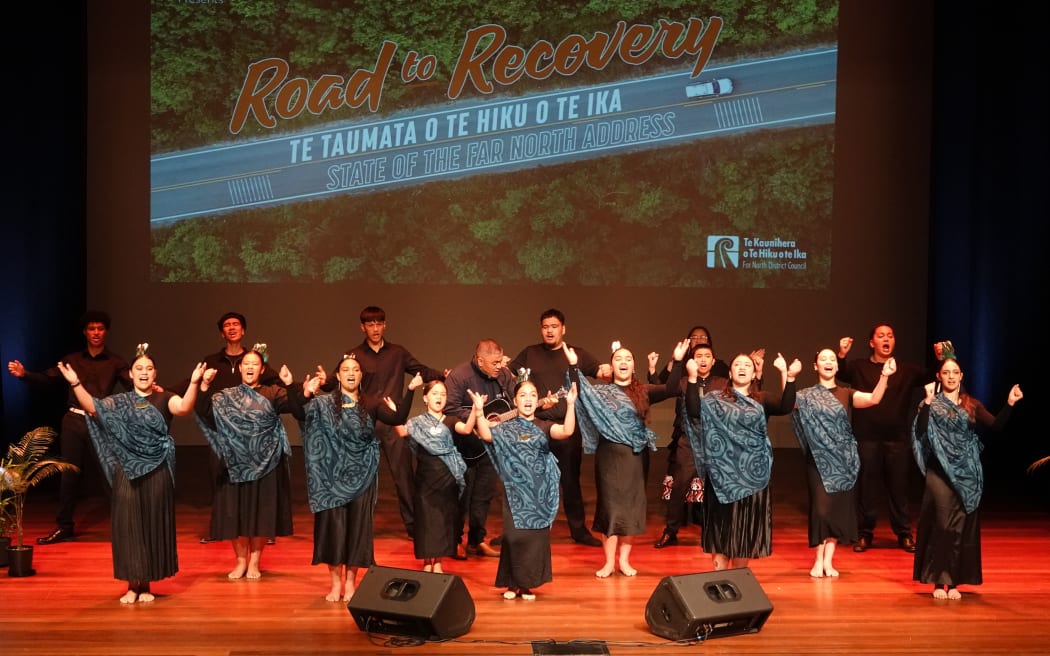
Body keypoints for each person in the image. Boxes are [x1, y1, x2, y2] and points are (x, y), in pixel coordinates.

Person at [58, 345, 205, 603]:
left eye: (149, 368)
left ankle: (146, 583)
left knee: (151, 523)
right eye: (139, 368)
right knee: (127, 525)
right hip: (127, 470)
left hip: (157, 469)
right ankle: (131, 584)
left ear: (155, 373)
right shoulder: (119, 401)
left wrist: (193, 383)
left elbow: (183, 408)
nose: (144, 372)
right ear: (131, 373)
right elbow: (93, 406)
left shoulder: (164, 398)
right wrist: (76, 383)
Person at [299, 356, 418, 601]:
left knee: (356, 529)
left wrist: (410, 390)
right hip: (330, 477)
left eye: (356, 370)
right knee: (333, 530)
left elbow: (397, 419)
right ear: (338, 376)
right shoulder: (324, 403)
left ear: (361, 376)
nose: (351, 373)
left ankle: (351, 584)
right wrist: (305, 394)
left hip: (361, 474)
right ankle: (334, 584)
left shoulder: (372, 403)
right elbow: (298, 411)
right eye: (346, 370)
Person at [6, 310, 131, 545]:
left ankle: (124, 526)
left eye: (100, 328)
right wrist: (25, 375)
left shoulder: (116, 362)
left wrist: (149, 384)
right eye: (92, 329)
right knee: (69, 476)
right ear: (85, 332)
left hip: (100, 421)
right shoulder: (72, 359)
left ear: (106, 332)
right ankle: (64, 527)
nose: (96, 333)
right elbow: (50, 378)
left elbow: (131, 385)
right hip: (73, 422)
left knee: (111, 474)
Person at [573, 339, 690, 578]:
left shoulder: (643, 391)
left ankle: (624, 561)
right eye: (618, 359)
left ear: (633, 366)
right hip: (609, 458)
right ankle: (608, 562)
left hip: (635, 458)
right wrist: (573, 369)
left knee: (631, 508)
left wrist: (677, 361)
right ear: (611, 365)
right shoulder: (601, 393)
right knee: (610, 508)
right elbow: (580, 392)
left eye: (628, 359)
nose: (623, 362)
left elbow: (671, 389)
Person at [911, 348, 1022, 600]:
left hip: (967, 473)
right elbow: (920, 431)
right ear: (938, 376)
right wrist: (928, 402)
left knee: (960, 528)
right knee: (942, 525)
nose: (951, 377)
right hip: (939, 471)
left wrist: (1010, 404)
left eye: (955, 373)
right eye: (946, 372)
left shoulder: (971, 403)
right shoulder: (930, 403)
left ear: (961, 376)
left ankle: (955, 581)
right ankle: (939, 581)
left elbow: (996, 425)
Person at [685, 352, 801, 571]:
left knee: (744, 527)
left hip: (752, 475)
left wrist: (789, 375)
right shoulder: (715, 398)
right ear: (730, 372)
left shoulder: (762, 398)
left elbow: (786, 407)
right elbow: (693, 410)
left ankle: (737, 578)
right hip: (722, 475)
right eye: (737, 364)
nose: (742, 367)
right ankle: (719, 577)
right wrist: (692, 377)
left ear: (753, 372)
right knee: (722, 526)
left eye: (747, 364)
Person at [471, 367, 579, 601]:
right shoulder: (506, 427)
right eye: (523, 395)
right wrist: (479, 412)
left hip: (540, 490)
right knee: (513, 537)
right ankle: (512, 583)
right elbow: (487, 436)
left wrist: (570, 405)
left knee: (534, 538)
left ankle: (526, 585)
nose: (528, 399)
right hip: (515, 490)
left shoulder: (544, 425)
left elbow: (567, 430)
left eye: (532, 395)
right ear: (515, 400)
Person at [195, 345, 301, 580]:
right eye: (247, 364)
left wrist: (290, 384)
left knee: (261, 513)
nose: (250, 367)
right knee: (236, 512)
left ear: (262, 369)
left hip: (266, 461)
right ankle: (240, 561)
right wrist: (203, 386)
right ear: (240, 368)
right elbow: (203, 411)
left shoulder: (273, 392)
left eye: (255, 364)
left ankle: (255, 561)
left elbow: (295, 407)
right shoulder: (225, 396)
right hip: (235, 463)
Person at [343, 306, 446, 540]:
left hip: (393, 423)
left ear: (385, 325)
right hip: (364, 423)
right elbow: (336, 379)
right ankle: (356, 526)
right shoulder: (354, 356)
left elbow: (421, 370)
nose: (375, 328)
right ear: (363, 327)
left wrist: (444, 375)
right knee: (358, 475)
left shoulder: (397, 353)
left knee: (404, 477)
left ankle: (413, 526)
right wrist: (318, 384)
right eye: (370, 324)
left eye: (379, 323)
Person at [791, 349, 896, 577]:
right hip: (818, 459)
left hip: (843, 459)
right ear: (815, 366)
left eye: (832, 359)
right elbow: (788, 403)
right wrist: (787, 375)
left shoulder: (846, 393)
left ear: (837, 367)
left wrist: (884, 376)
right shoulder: (807, 395)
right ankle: (817, 560)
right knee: (821, 510)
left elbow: (874, 399)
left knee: (837, 510)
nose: (828, 362)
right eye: (823, 359)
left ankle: (829, 560)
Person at [508, 309, 604, 547]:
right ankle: (521, 527)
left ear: (563, 328)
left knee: (570, 481)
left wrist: (617, 363)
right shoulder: (530, 353)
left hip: (566, 429)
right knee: (529, 479)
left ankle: (579, 530)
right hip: (534, 427)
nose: (549, 330)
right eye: (545, 326)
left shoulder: (576, 354)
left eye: (554, 326)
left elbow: (601, 372)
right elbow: (510, 376)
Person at [837, 324, 932, 553]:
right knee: (867, 488)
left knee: (899, 488)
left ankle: (904, 533)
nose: (886, 339)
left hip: (897, 438)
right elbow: (841, 373)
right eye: (881, 336)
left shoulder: (906, 369)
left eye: (890, 335)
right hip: (866, 436)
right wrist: (841, 354)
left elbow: (931, 375)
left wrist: (942, 357)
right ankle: (865, 533)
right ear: (872, 342)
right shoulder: (860, 367)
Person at [191, 311, 280, 545]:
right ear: (222, 333)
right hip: (224, 435)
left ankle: (261, 529)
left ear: (244, 331)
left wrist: (298, 387)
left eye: (236, 325)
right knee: (222, 481)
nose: (232, 328)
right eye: (227, 325)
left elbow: (279, 388)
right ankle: (223, 527)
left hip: (253, 436)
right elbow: (193, 387)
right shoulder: (211, 362)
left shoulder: (256, 360)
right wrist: (165, 389)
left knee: (258, 487)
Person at [395, 379, 476, 575]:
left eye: (442, 394)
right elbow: (401, 432)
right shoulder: (417, 423)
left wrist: (476, 410)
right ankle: (426, 561)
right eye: (435, 393)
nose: (439, 397)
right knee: (425, 520)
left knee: (443, 520)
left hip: (448, 476)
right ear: (425, 398)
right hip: (425, 477)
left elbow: (466, 430)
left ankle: (438, 561)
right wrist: (395, 415)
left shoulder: (450, 420)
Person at [443, 339, 515, 558]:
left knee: (484, 495)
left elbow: (513, 402)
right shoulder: (460, 375)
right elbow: (449, 408)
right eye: (494, 362)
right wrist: (477, 417)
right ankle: (454, 541)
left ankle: (477, 540)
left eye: (501, 361)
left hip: (491, 447)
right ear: (480, 359)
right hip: (464, 446)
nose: (499, 366)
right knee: (461, 496)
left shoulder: (503, 375)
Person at [653, 342, 728, 549]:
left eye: (707, 356)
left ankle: (716, 532)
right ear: (693, 361)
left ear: (713, 361)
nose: (703, 360)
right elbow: (667, 389)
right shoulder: (685, 382)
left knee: (717, 489)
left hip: (714, 443)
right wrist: (677, 362)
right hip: (688, 443)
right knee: (679, 487)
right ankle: (671, 530)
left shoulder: (723, 383)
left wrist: (756, 374)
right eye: (698, 356)